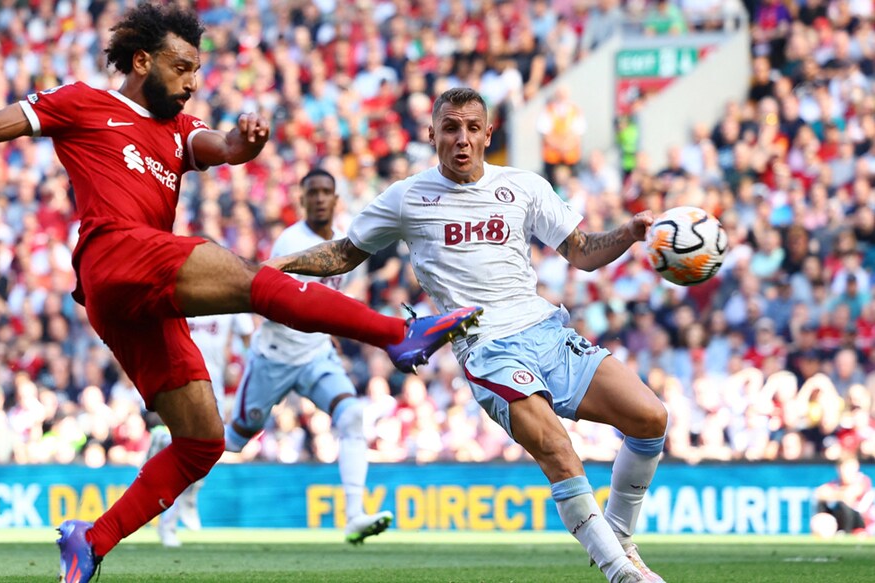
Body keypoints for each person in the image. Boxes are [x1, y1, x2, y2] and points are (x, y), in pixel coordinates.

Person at [0, 6, 481, 582]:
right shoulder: (83, 101)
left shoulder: (179, 129)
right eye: (182, 68)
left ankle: (90, 542)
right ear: (143, 62)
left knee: (202, 441)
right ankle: (398, 335)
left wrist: (244, 145)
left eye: (197, 71)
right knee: (253, 280)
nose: (191, 81)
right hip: (115, 254)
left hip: (130, 298)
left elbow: (221, 146)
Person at [267, 88, 669, 583]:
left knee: (651, 418)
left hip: (545, 329)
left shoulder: (523, 186)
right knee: (557, 448)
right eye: (451, 129)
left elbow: (582, 252)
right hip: (485, 347)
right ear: (431, 134)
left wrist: (628, 232)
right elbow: (345, 253)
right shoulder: (407, 196)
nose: (462, 139)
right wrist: (278, 264)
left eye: (472, 129)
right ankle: (622, 574)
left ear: (488, 135)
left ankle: (619, 539)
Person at [226, 169, 394, 545]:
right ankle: (176, 500)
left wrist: (329, 332)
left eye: (326, 192)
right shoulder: (290, 241)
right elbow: (277, 302)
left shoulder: (348, 242)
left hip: (315, 354)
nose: (319, 198)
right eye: (312, 192)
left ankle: (354, 516)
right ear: (302, 200)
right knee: (233, 441)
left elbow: (330, 299)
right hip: (275, 356)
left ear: (337, 199)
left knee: (351, 415)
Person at [153, 307, 254, 548]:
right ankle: (169, 522)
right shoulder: (181, 289)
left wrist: (248, 375)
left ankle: (165, 447)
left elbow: (250, 338)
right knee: (190, 451)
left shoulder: (230, 294)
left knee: (212, 448)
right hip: (180, 379)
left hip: (214, 384)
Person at [811, 456, 874, 537]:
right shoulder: (837, 483)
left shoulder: (863, 480)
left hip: (862, 521)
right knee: (823, 504)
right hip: (841, 518)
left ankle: (846, 534)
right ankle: (825, 533)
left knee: (843, 506)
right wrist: (839, 495)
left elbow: (849, 495)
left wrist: (833, 494)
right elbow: (819, 493)